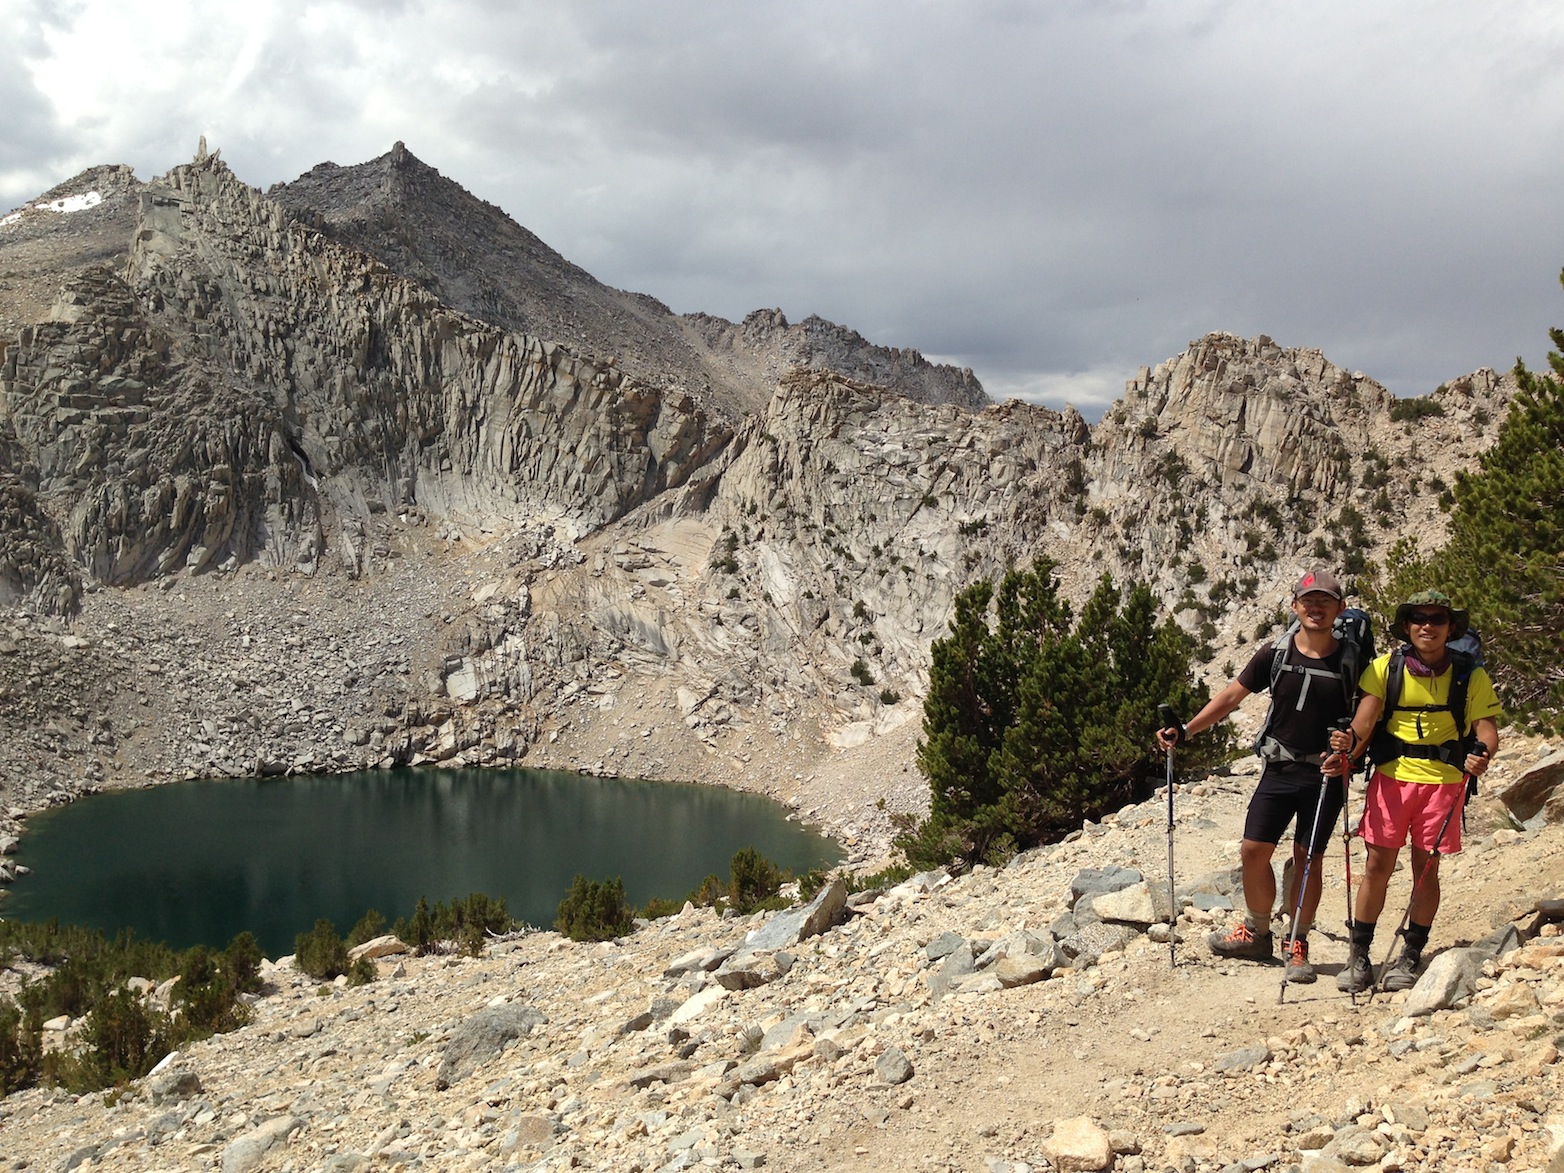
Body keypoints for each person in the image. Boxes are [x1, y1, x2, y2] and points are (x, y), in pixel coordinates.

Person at [1157, 570, 1355, 983]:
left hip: (1325, 773)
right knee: (1253, 850)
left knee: (1309, 858)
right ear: (1295, 606)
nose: (1315, 608)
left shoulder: (1353, 661)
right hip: (1280, 767)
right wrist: (1188, 730)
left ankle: (1297, 941)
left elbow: (1370, 717)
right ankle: (1258, 931)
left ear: (1340, 608)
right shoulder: (1275, 653)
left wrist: (1352, 753)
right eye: (1308, 600)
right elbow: (1232, 695)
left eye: (1325, 601)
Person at [1330, 590, 1501, 993]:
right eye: (1419, 618)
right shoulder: (1385, 668)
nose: (1428, 625)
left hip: (1444, 783)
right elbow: (1366, 722)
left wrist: (1482, 755)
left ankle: (1411, 953)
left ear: (1450, 628)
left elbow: (1487, 730)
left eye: (1437, 619)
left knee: (1426, 870)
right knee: (1377, 866)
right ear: (1407, 627)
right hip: (1391, 778)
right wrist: (1345, 754)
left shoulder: (1469, 674)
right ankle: (1360, 953)